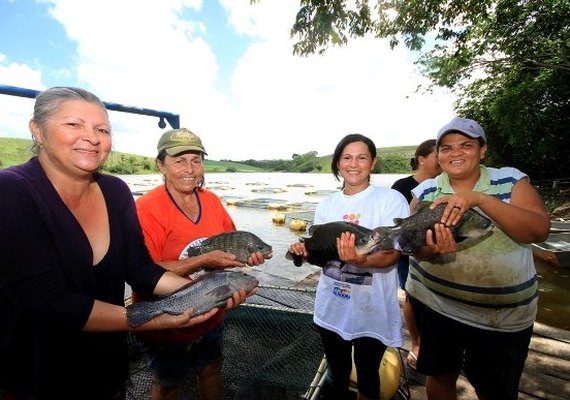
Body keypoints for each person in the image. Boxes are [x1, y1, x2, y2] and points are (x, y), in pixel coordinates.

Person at [0, 87, 252, 400]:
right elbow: (49, 301)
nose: (92, 137)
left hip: (107, 364)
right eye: (74, 124)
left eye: (102, 129)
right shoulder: (11, 190)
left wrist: (213, 291)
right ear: (37, 130)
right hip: (37, 373)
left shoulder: (116, 191)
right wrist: (153, 318)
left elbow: (139, 268)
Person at [407, 117, 550, 400]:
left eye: (466, 145)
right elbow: (412, 245)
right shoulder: (425, 191)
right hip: (436, 306)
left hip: (503, 317)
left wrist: (481, 199)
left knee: (495, 389)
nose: (455, 152)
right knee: (439, 375)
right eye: (446, 148)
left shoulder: (510, 180)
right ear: (438, 155)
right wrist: (430, 250)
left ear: (482, 150)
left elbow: (538, 230)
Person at [132, 127, 270, 400]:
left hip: (210, 315)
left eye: (196, 160)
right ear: (161, 164)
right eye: (179, 160)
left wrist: (245, 260)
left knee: (211, 370)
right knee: (168, 383)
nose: (189, 169)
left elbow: (231, 251)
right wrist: (204, 259)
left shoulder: (212, 201)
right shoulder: (147, 209)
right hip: (167, 321)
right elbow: (142, 272)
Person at [288, 133, 409, 400]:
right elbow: (322, 259)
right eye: (347, 158)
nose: (354, 164)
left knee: (368, 376)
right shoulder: (327, 204)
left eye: (362, 157)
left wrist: (361, 259)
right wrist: (302, 253)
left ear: (373, 163)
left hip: (371, 310)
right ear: (338, 164)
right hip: (332, 307)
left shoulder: (390, 200)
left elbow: (392, 256)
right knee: (337, 374)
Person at [390, 139, 441, 369]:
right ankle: (417, 343)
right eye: (437, 155)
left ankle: (437, 346)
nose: (442, 160)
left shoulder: (444, 185)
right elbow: (395, 223)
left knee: (435, 299)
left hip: (439, 253)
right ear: (422, 159)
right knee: (412, 295)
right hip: (407, 254)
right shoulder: (402, 186)